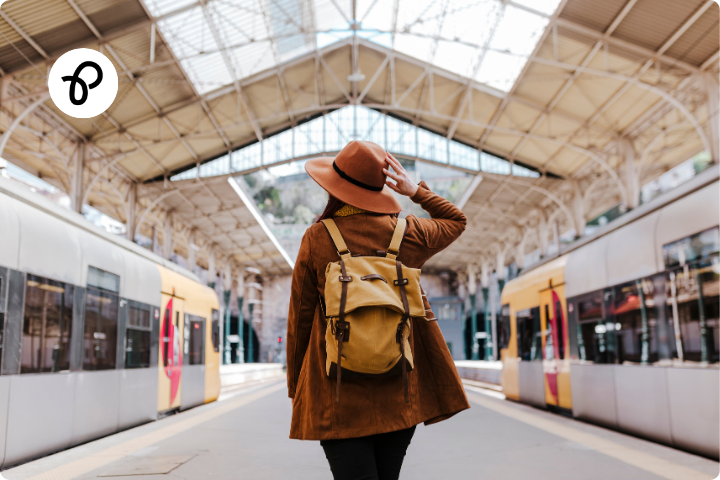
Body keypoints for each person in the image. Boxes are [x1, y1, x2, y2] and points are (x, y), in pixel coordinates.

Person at [286, 140, 470, 480]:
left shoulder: (317, 237)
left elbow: (300, 316)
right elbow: (456, 221)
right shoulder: (408, 233)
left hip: (335, 394)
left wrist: (295, 385)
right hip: (398, 392)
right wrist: (416, 191)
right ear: (379, 187)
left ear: (335, 188)